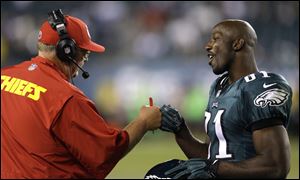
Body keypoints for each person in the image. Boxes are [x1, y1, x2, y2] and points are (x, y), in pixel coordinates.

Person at [1, 9, 161, 179]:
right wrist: (144, 122)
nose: (85, 58)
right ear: (66, 50)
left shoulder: (4, 77)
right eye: (84, 52)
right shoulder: (66, 98)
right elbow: (105, 153)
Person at [153, 19, 293, 179]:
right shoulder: (219, 86)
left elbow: (275, 166)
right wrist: (180, 131)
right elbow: (213, 157)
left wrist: (214, 168)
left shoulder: (260, 87)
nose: (208, 45)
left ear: (237, 44)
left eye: (216, 38)